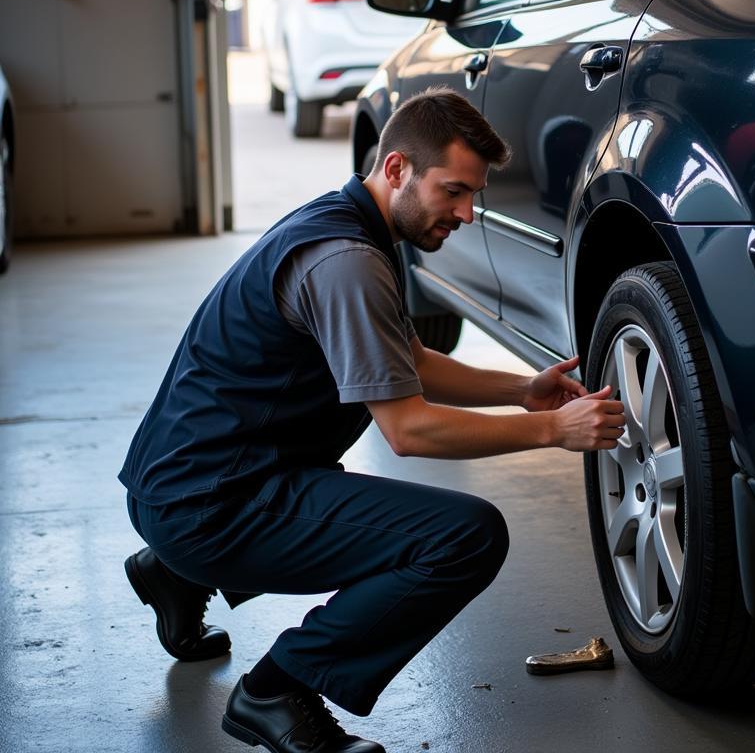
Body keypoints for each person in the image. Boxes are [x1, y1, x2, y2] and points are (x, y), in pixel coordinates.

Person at [119, 87, 626, 753]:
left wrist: (522, 391)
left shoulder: (348, 221)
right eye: (453, 191)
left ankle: (175, 572)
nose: (467, 212)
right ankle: (276, 688)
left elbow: (406, 357)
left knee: (318, 479)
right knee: (462, 537)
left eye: (474, 195)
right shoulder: (349, 261)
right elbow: (408, 431)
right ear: (396, 170)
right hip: (207, 503)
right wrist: (551, 433)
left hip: (181, 484)